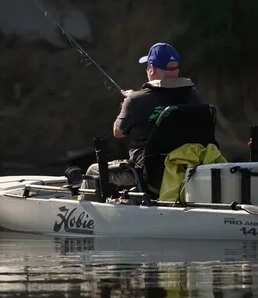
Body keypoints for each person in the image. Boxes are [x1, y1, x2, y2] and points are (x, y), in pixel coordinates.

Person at [79, 42, 202, 198]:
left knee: (93, 171)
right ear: (175, 69)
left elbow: (118, 132)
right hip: (189, 173)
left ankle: (81, 220)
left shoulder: (137, 100)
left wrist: (128, 102)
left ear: (151, 69)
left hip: (149, 177)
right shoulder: (194, 96)